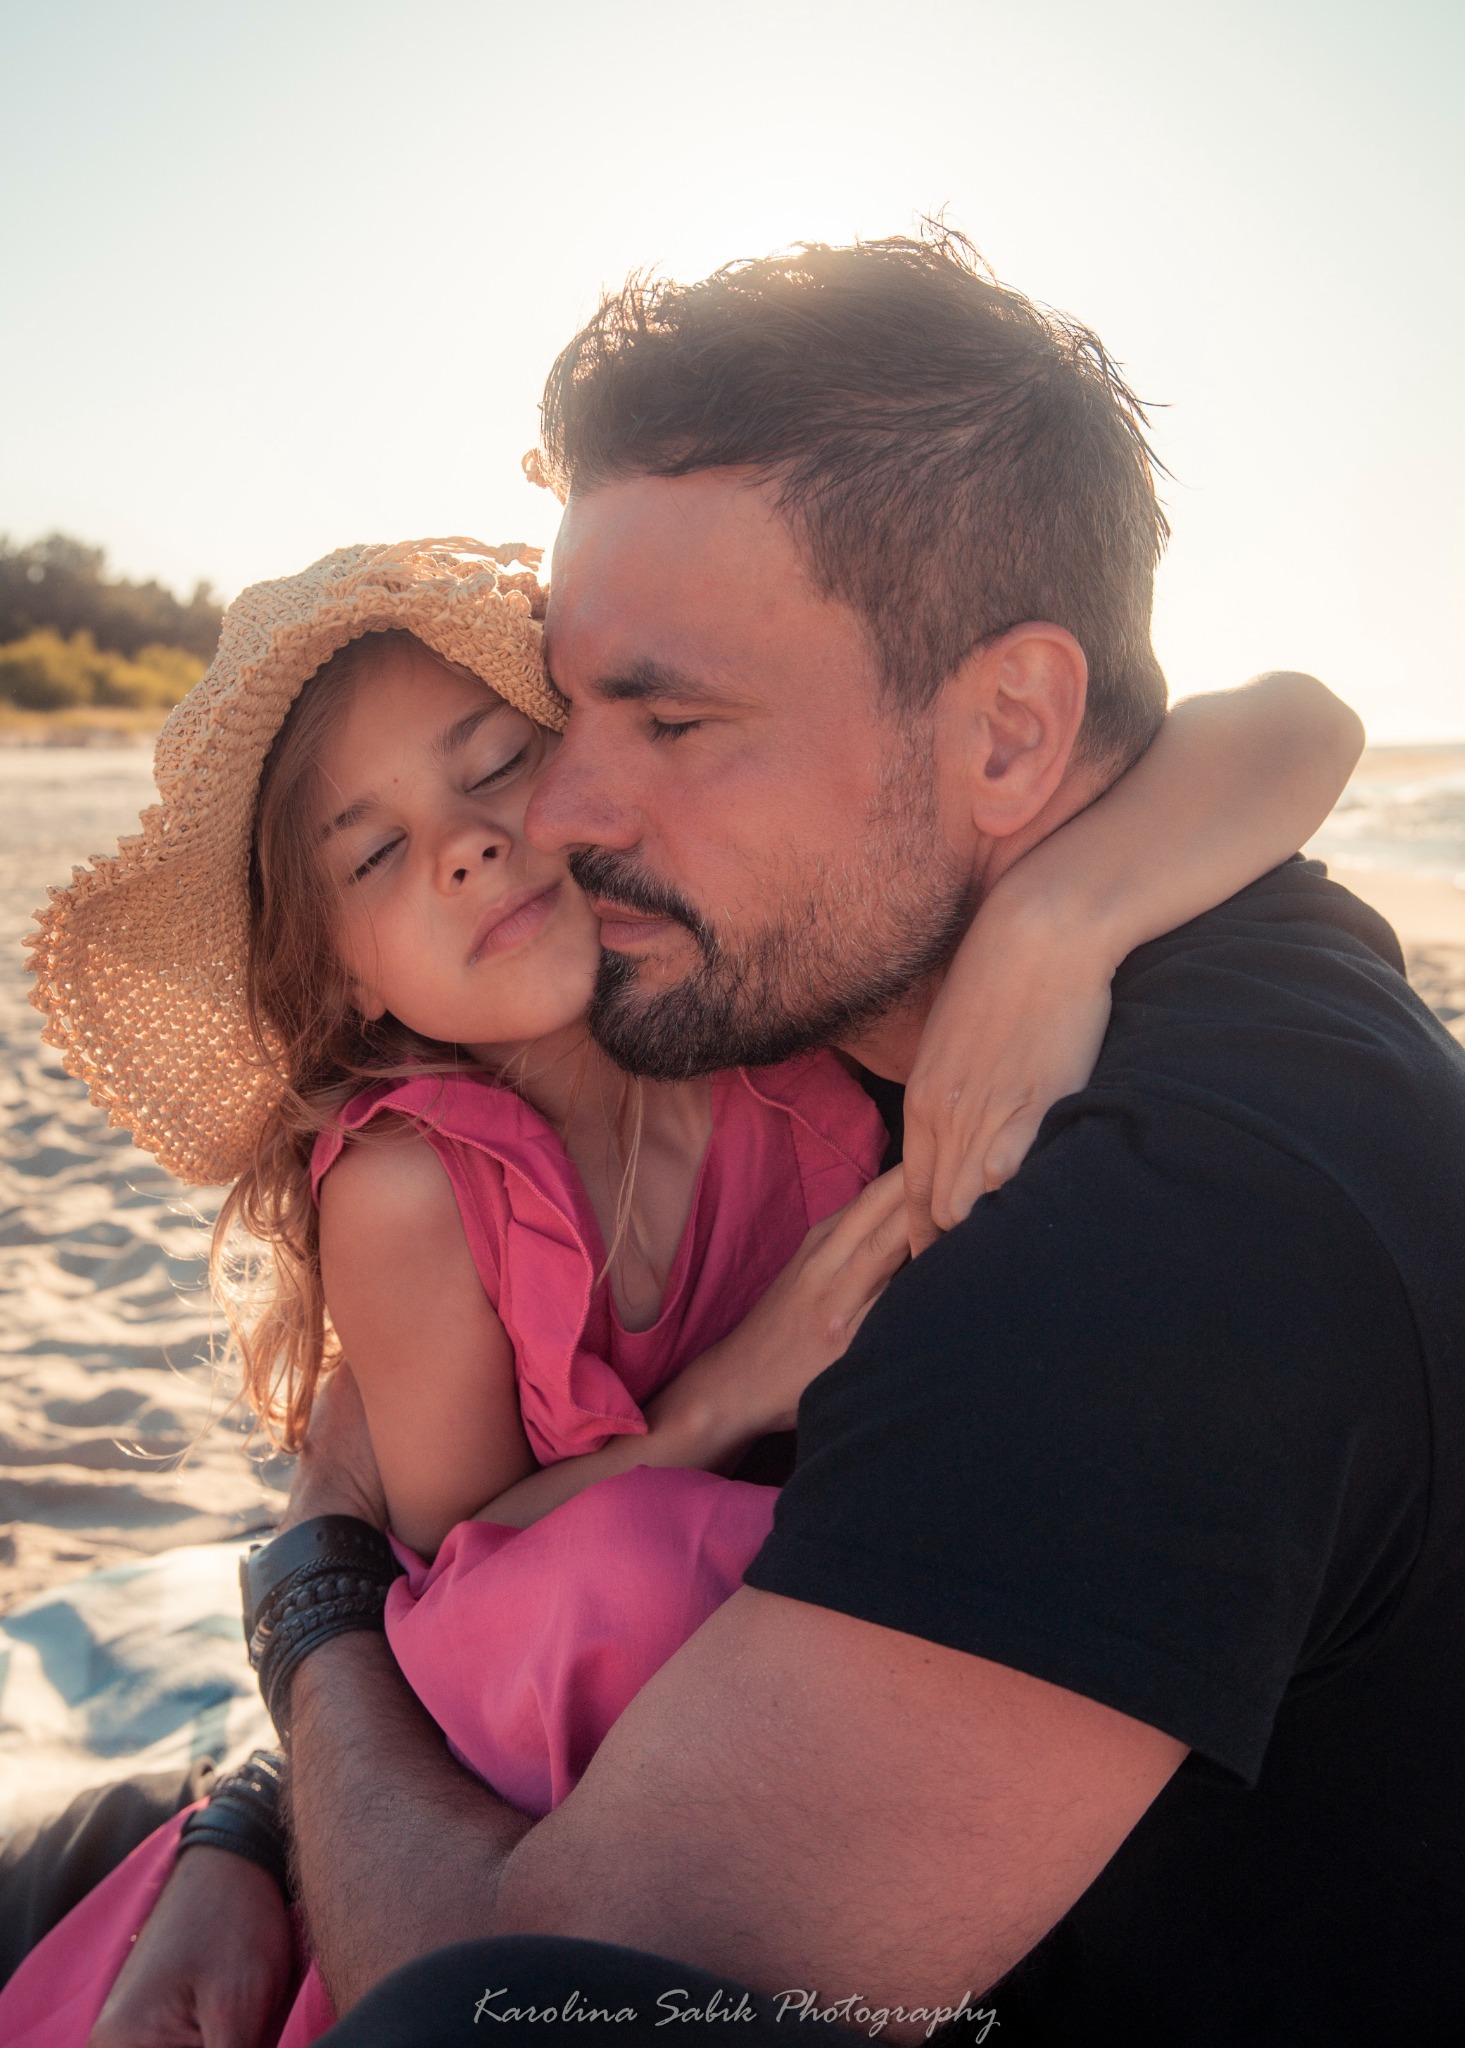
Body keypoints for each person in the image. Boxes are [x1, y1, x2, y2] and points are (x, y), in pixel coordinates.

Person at [3, 515, 1353, 2048]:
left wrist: (1055, 922)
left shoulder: (771, 1018)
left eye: (495, 764)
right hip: (554, 1749)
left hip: (831, 1695)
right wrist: (718, 1399)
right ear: (348, 976)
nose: (459, 843)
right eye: (375, 852)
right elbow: (446, 1573)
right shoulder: (412, 1188)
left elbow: (1296, 725)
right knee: (627, 1552)